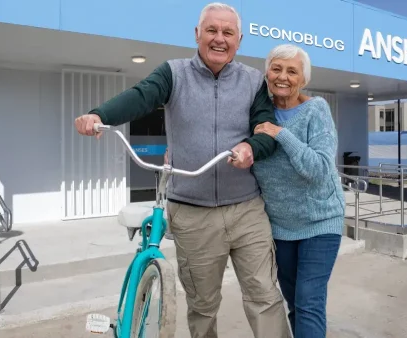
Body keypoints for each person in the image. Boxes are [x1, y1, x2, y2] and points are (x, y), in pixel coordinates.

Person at [74, 3, 291, 338]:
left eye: (228, 32)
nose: (219, 39)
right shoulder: (173, 74)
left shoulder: (252, 80)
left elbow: (265, 127)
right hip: (192, 213)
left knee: (264, 295)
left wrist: (251, 147)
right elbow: (140, 97)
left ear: (239, 40)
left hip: (247, 209)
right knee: (202, 305)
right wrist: (99, 115)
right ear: (197, 34)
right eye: (212, 30)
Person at [252, 44, 346, 338]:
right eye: (276, 69)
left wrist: (281, 134)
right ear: (267, 73)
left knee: (308, 302)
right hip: (281, 227)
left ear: (302, 79)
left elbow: (318, 168)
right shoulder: (257, 113)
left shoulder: (316, 110)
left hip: (320, 222)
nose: (283, 77)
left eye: (292, 71)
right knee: (294, 303)